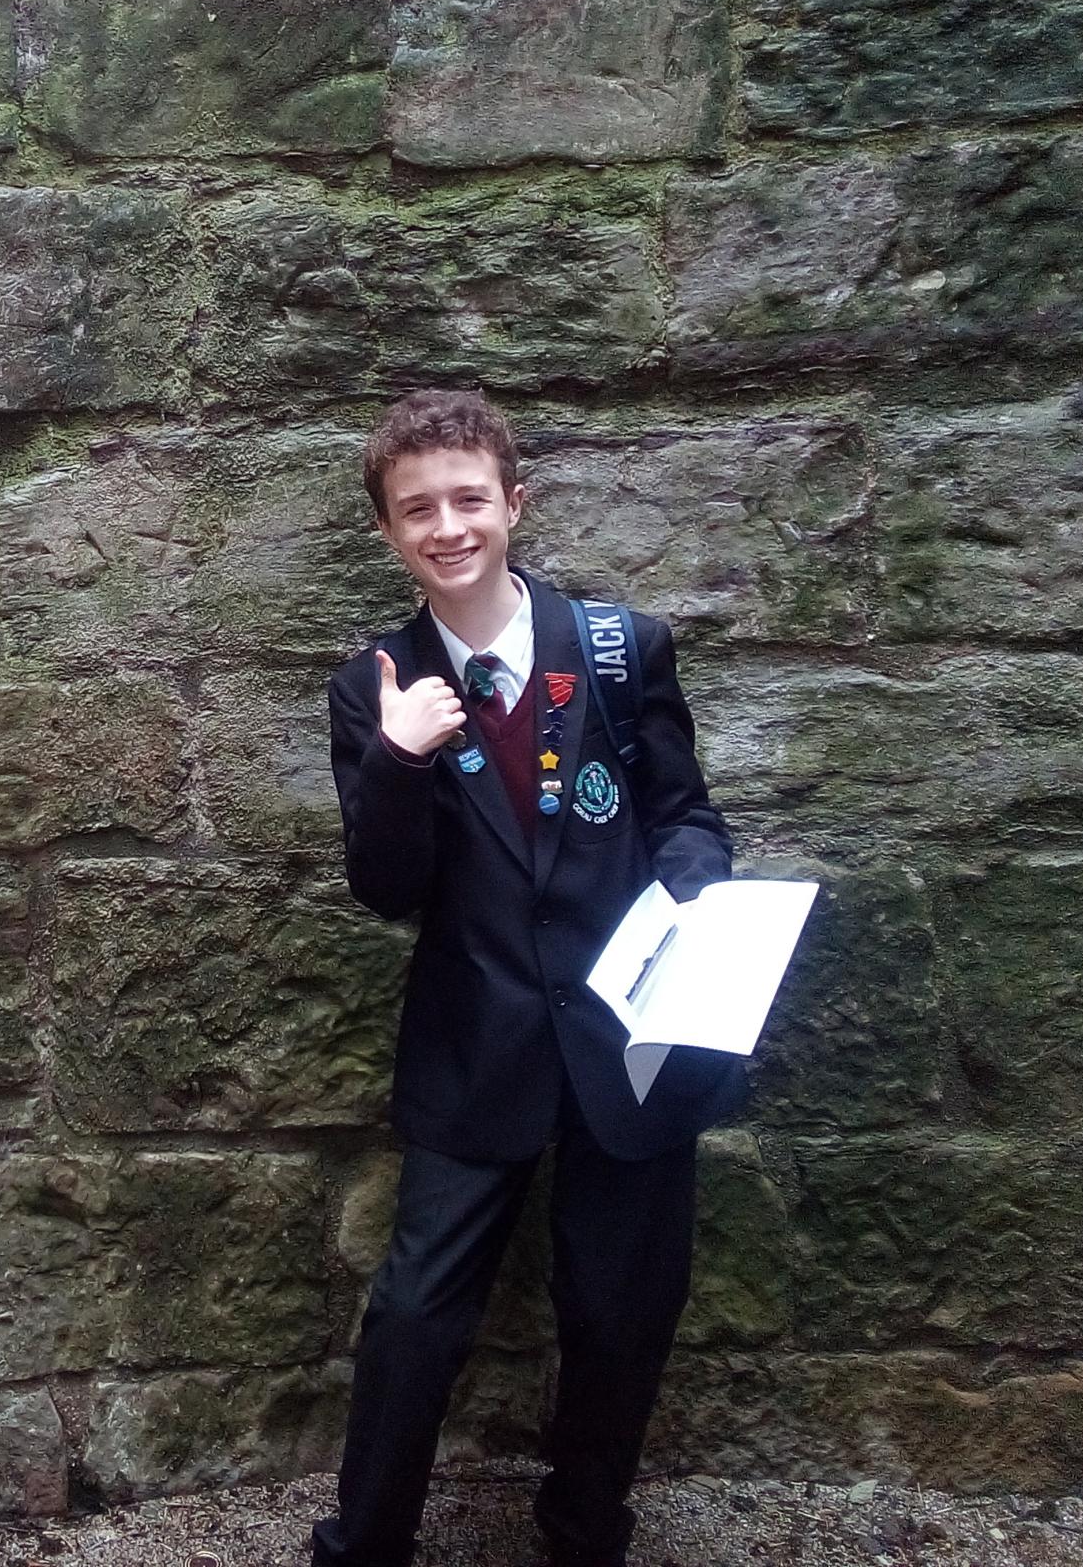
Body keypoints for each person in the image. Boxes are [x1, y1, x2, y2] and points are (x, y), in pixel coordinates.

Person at [314, 391, 738, 1567]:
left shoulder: (619, 649)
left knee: (620, 1308)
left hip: (632, 1040)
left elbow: (684, 816)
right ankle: (367, 1542)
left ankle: (585, 1522)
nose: (446, 527)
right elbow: (386, 888)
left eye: (466, 499)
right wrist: (401, 761)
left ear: (513, 502)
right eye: (416, 512)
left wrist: (691, 916)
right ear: (388, 535)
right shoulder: (375, 684)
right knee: (415, 1312)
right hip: (475, 1044)